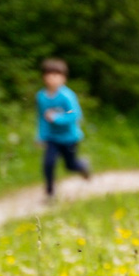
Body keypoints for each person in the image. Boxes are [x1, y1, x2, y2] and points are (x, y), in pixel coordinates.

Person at [35, 57, 94, 198]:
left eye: (56, 75)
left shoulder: (67, 96)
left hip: (69, 137)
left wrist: (57, 118)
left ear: (63, 78)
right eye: (49, 75)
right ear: (44, 77)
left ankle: (83, 165)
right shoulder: (41, 97)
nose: (52, 78)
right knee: (48, 163)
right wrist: (40, 136)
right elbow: (42, 118)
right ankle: (50, 193)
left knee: (70, 166)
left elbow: (74, 114)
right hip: (52, 138)